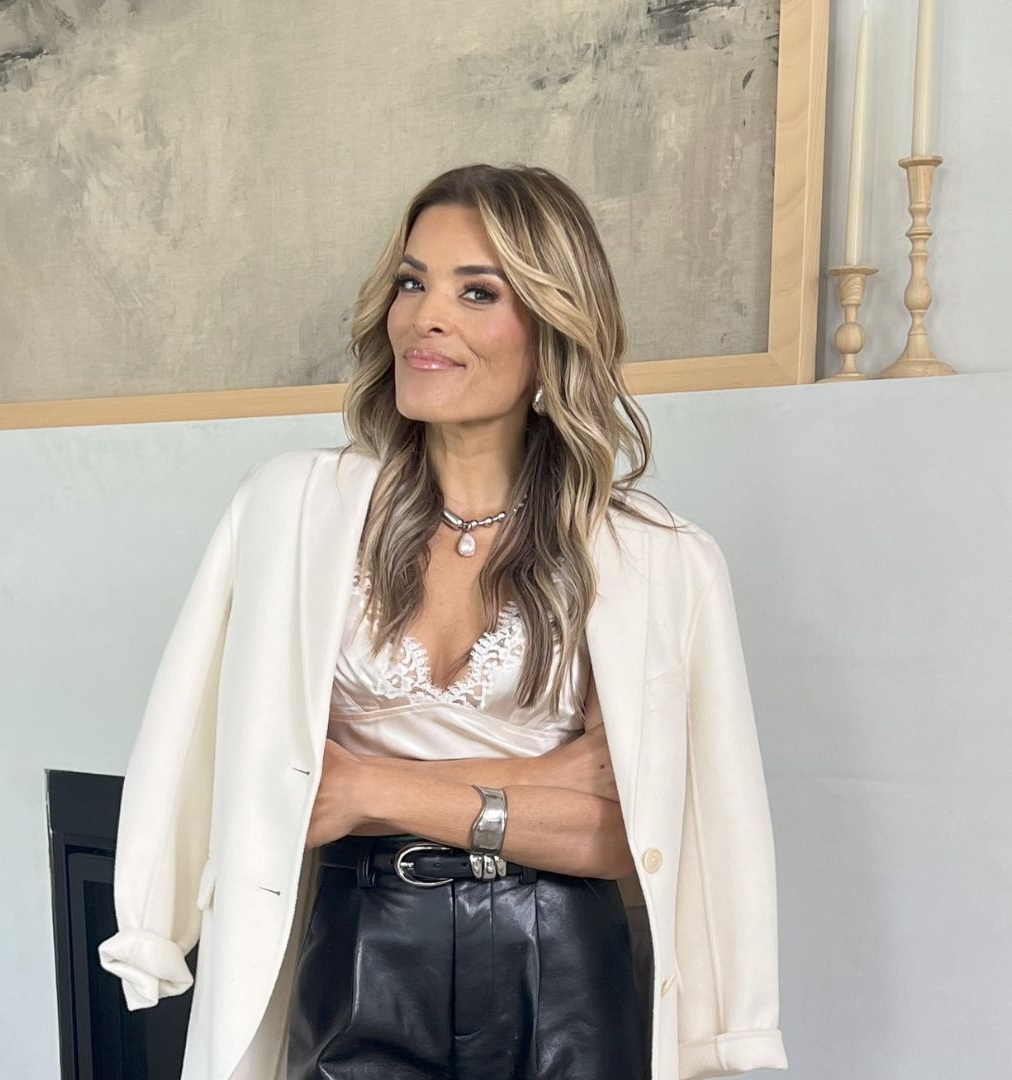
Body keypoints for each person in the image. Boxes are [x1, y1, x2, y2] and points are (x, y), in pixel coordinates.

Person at [98, 162, 788, 1080]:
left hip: (566, 967)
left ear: (552, 329)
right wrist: (545, 784)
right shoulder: (292, 510)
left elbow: (628, 833)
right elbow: (199, 740)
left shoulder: (657, 560)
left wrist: (368, 787)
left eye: (477, 292)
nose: (426, 316)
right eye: (412, 282)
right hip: (358, 953)